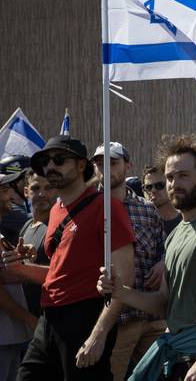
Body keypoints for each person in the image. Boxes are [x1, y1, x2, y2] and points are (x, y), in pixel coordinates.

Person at [98, 135, 196, 380]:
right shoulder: (175, 233)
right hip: (177, 353)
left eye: (183, 175)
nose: (174, 184)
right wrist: (120, 292)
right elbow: (164, 303)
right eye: (170, 177)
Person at [0, 136, 136, 380]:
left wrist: (98, 335)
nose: (50, 166)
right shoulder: (55, 210)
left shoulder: (106, 207)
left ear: (81, 165)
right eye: (45, 161)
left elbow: (125, 279)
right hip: (48, 318)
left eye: (59, 160)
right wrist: (21, 268)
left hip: (85, 317)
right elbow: (58, 273)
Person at [91, 142, 168, 380]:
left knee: (159, 376)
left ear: (127, 166)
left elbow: (163, 247)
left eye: (113, 163)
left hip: (150, 314)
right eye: (100, 164)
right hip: (114, 318)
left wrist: (163, 262)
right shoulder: (89, 208)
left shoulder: (147, 209)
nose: (106, 169)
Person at [0, 171, 33, 381]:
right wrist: (30, 319)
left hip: (9, 338)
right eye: (3, 190)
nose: (11, 195)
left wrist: (20, 261)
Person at [15, 171, 54, 318]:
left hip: (50, 318)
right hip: (30, 320)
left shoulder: (59, 227)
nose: (42, 194)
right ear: (26, 191)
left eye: (48, 188)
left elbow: (64, 274)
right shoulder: (26, 226)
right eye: (36, 188)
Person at [143, 165, 182, 235]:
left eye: (159, 185)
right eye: (148, 187)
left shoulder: (186, 219)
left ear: (169, 185)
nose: (153, 190)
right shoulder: (143, 222)